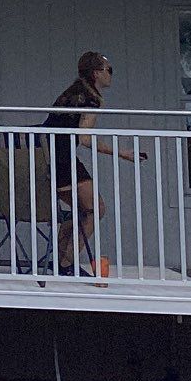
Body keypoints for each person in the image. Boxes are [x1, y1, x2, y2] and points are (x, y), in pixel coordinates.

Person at [40, 51, 146, 274]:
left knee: (83, 210)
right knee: (96, 209)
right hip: (62, 160)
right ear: (97, 73)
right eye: (109, 70)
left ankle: (59, 259)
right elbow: (85, 139)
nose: (111, 75)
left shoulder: (72, 92)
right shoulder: (91, 99)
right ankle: (66, 264)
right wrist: (122, 153)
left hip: (44, 157)